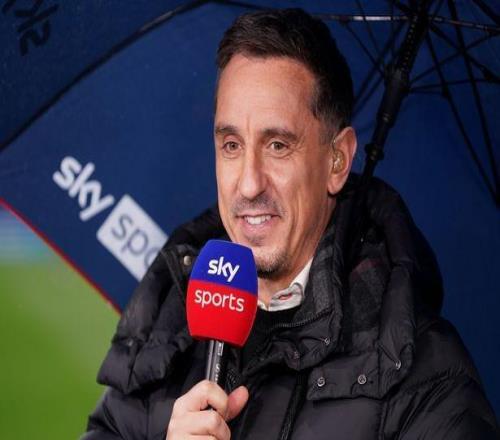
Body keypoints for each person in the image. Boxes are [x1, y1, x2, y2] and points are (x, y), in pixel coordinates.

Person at [82, 8, 499, 440]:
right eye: (231, 145)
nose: (248, 184)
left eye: (278, 145)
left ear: (337, 160)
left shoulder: (428, 377)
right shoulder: (175, 318)